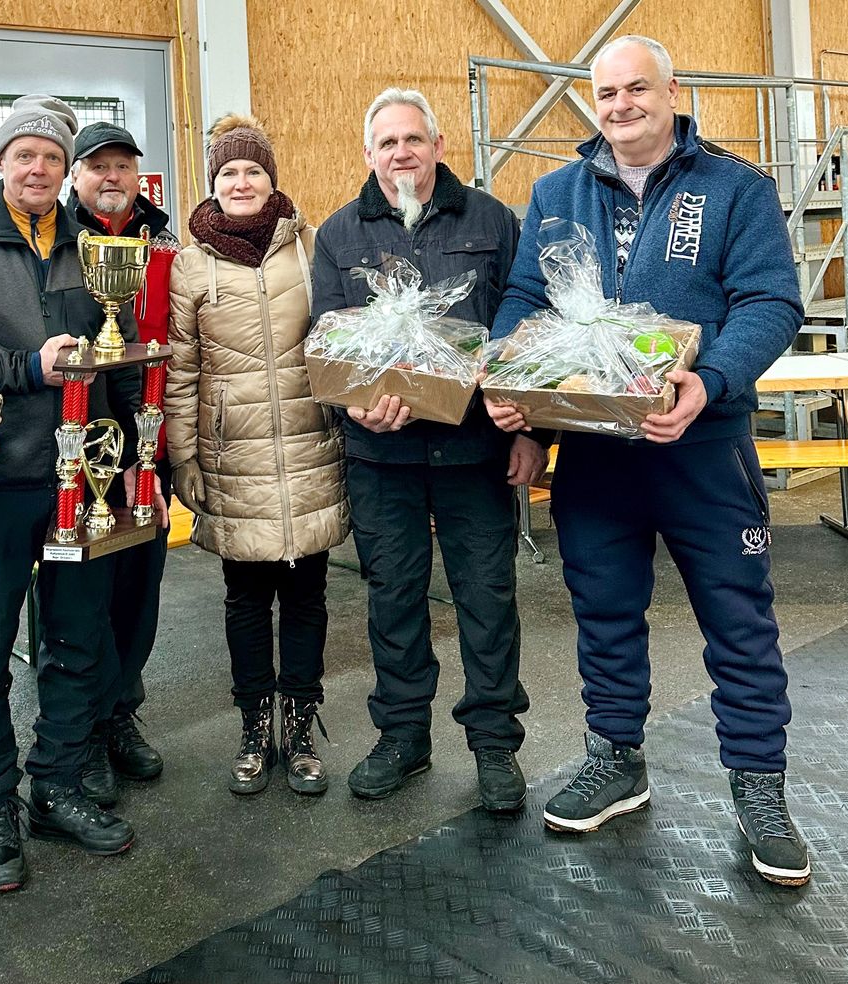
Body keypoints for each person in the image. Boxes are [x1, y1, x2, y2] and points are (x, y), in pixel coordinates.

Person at [486, 36, 809, 886]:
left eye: (638, 88)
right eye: (607, 92)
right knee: (604, 613)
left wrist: (710, 380)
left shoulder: (735, 188)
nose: (622, 104)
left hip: (701, 449)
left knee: (739, 624)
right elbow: (525, 298)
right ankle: (615, 758)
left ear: (673, 91)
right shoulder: (556, 192)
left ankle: (759, 785)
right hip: (594, 454)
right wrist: (507, 374)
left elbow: (771, 299)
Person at [0, 94, 154, 893]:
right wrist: (25, 368)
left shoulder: (92, 245)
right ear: (1, 162)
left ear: (66, 170)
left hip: (82, 480)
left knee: (76, 639)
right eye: (25, 154)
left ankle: (56, 782)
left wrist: (128, 455)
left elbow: (109, 349)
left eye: (52, 157)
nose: (38, 168)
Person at [311, 88, 542, 811]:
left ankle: (496, 743)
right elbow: (328, 339)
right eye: (387, 143)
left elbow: (524, 325)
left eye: (413, 139)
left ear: (438, 146)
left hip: (478, 450)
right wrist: (356, 405)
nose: (401, 153)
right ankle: (404, 737)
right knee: (394, 599)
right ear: (368, 153)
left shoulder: (492, 220)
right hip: (384, 458)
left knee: (488, 596)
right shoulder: (339, 234)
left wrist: (532, 429)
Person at [168, 114, 348, 796]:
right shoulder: (191, 264)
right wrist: (184, 455)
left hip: (309, 448)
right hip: (231, 455)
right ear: (212, 186)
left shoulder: (310, 249)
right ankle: (253, 726)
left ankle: (300, 728)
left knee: (306, 597)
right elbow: (183, 371)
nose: (241, 182)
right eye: (227, 174)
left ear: (272, 179)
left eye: (252, 171)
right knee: (245, 601)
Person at [67, 122, 181, 803]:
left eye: (123, 166)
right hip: (73, 451)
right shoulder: (59, 244)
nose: (112, 176)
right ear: (77, 178)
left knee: (138, 592)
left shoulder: (164, 244)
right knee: (84, 601)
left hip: (146, 443)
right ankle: (82, 725)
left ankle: (120, 713)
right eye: (98, 166)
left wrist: (158, 454)